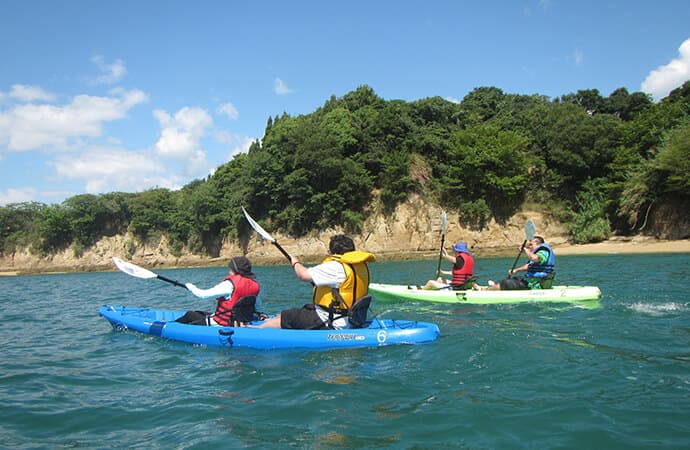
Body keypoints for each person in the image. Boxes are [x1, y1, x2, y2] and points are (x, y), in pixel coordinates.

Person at [254, 234, 375, 330]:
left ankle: (255, 330)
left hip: (333, 321)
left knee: (288, 316)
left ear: (333, 251)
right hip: (353, 318)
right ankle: (267, 322)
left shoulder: (336, 266)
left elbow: (303, 275)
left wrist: (295, 262)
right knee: (292, 312)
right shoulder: (359, 266)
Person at [175, 256, 261, 326]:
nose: (229, 272)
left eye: (231, 269)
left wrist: (191, 287)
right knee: (198, 313)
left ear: (235, 270)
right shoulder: (255, 285)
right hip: (241, 321)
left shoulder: (229, 284)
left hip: (223, 324)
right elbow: (256, 307)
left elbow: (203, 295)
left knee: (190, 315)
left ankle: (170, 326)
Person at [482, 236, 555, 290]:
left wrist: (525, 250)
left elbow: (535, 258)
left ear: (538, 244)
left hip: (538, 283)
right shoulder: (538, 252)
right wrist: (516, 270)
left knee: (506, 283)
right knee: (516, 278)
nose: (530, 246)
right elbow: (530, 265)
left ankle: (487, 290)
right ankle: (495, 287)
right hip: (532, 280)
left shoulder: (543, 252)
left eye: (531, 244)